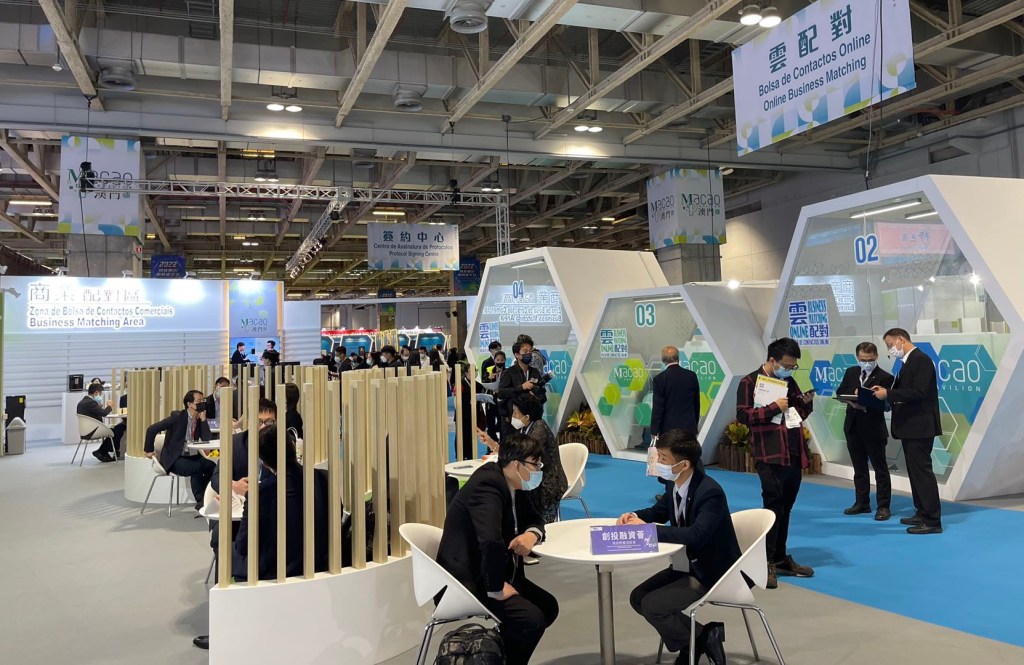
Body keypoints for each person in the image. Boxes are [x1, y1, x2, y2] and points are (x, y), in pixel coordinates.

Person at [193, 425, 330, 651]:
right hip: (319, 562)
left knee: (225, 549)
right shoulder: (324, 479)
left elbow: (244, 546)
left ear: (264, 461)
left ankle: (224, 629)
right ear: (293, 447)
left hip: (277, 569)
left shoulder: (262, 494)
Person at [436, 433, 558, 665]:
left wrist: (532, 534)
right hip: (472, 579)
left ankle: (495, 655)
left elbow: (535, 518)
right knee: (531, 620)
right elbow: (489, 541)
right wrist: (495, 589)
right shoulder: (488, 485)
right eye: (535, 464)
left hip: (498, 572)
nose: (538, 470)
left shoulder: (515, 484)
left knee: (548, 607)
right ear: (516, 464)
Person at [619, 430, 738, 665]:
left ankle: (692, 644)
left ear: (683, 464)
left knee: (653, 606)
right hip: (686, 565)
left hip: (711, 571)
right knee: (638, 598)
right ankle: (703, 636)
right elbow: (658, 512)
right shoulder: (674, 485)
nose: (657, 463)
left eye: (663, 458)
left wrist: (649, 532)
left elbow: (696, 536)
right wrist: (633, 516)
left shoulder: (709, 493)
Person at [736, 337, 815, 588]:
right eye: (786, 365)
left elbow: (796, 413)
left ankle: (780, 557)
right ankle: (766, 560)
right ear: (772, 360)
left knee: (786, 508)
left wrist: (806, 403)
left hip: (792, 450)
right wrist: (773, 407)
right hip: (768, 454)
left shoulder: (789, 382)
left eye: (793, 367)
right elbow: (743, 415)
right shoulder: (749, 381)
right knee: (772, 507)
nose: (789, 370)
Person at [870, 329, 943, 535]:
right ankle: (921, 512)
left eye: (890, 345)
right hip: (910, 427)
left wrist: (889, 393)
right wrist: (886, 392)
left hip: (920, 426)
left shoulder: (920, 360)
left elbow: (919, 392)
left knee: (922, 473)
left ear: (901, 339)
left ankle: (932, 520)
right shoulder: (908, 362)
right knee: (915, 473)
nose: (890, 350)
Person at [836, 342, 895, 521]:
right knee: (859, 468)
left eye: (870, 360)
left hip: (874, 428)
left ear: (876, 357)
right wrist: (853, 394)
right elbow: (840, 391)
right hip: (853, 426)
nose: (867, 363)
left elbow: (887, 404)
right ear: (858, 358)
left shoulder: (886, 377)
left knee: (880, 469)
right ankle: (862, 502)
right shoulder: (851, 372)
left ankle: (883, 506)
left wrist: (868, 400)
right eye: (863, 360)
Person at [144, 390, 215, 511]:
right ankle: (201, 502)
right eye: (199, 401)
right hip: (175, 458)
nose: (202, 403)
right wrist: (148, 450)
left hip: (191, 455)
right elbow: (152, 429)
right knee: (197, 468)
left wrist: (203, 420)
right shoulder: (177, 417)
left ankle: (206, 497)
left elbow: (207, 438)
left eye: (203, 400)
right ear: (189, 404)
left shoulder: (199, 419)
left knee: (212, 466)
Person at [496, 340, 547, 438]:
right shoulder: (509, 373)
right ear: (517, 355)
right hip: (513, 421)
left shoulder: (535, 372)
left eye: (530, 351)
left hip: (531, 421)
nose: (529, 354)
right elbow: (501, 393)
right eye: (525, 351)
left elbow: (543, 397)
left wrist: (537, 396)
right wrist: (521, 387)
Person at [651, 346, 701, 441]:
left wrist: (654, 430)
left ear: (663, 360)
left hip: (668, 430)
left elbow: (658, 408)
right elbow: (696, 404)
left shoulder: (659, 379)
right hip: (689, 428)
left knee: (670, 451)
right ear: (678, 358)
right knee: (687, 450)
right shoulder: (691, 376)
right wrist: (694, 424)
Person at [77, 382, 116, 463]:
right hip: (92, 430)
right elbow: (104, 413)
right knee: (115, 430)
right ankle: (102, 451)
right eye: (100, 394)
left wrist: (98, 407)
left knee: (114, 430)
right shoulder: (91, 403)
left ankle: (102, 451)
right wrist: (109, 406)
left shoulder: (82, 402)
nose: (100, 396)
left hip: (84, 431)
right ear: (96, 392)